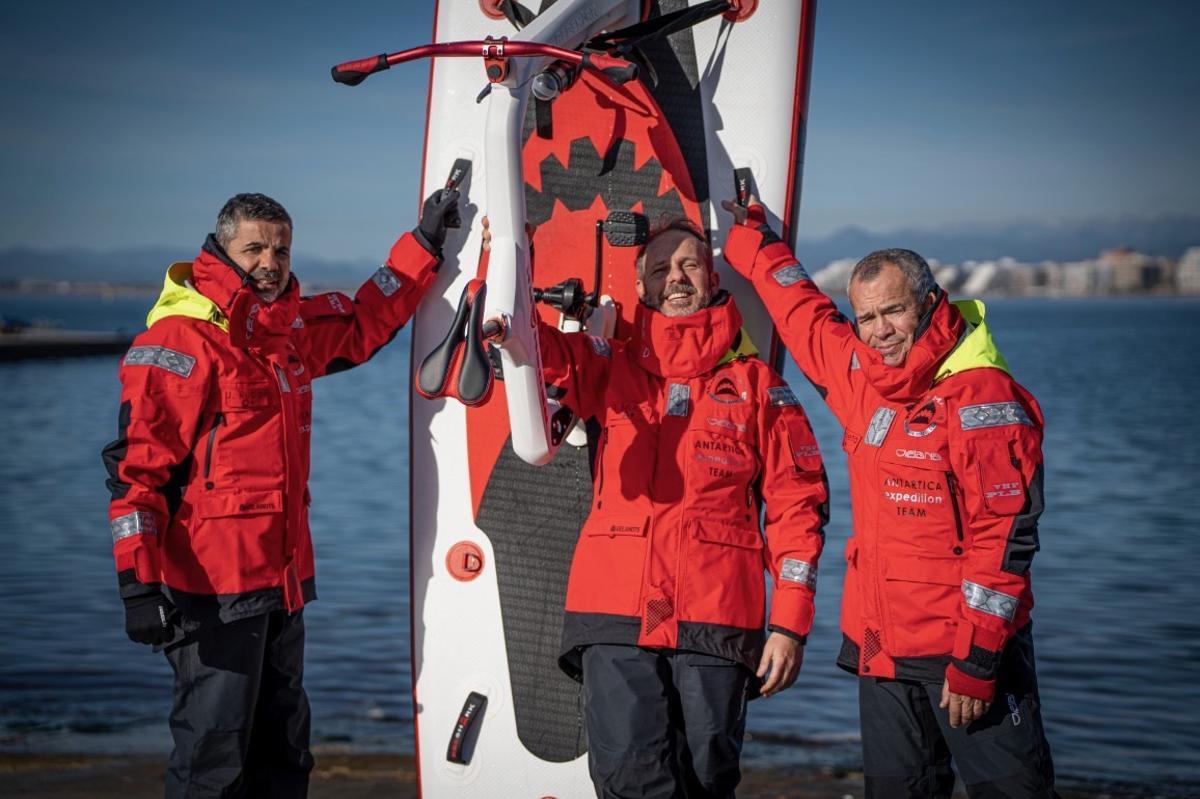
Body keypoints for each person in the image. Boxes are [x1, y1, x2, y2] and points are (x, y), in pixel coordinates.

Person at [102, 188, 459, 798]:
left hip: (284, 582)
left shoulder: (285, 331)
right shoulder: (182, 343)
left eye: (282, 249)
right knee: (213, 761)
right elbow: (137, 474)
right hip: (210, 590)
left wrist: (422, 243)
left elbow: (361, 317)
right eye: (256, 249)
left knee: (285, 753)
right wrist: (138, 586)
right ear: (222, 250)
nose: (271, 262)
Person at [721, 198, 1058, 798]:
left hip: (965, 654)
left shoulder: (983, 398)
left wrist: (977, 663)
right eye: (867, 316)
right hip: (881, 651)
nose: (879, 331)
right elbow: (803, 318)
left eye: (894, 311)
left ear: (930, 304)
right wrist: (753, 243)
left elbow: (1004, 545)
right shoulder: (867, 379)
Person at [487, 216, 829, 798]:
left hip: (717, 614)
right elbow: (537, 349)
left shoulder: (757, 385)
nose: (677, 276)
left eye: (690, 264)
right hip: (614, 609)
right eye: (662, 267)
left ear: (713, 276)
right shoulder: (608, 363)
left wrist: (790, 624)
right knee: (629, 778)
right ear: (640, 287)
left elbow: (799, 508)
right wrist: (500, 270)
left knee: (707, 778)